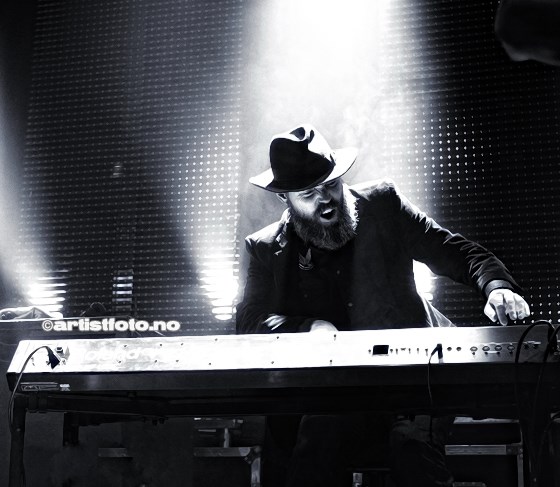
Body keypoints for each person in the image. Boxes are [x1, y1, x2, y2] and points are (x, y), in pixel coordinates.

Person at [235, 124, 531, 487]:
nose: (325, 200)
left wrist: (497, 288)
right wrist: (306, 327)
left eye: (331, 185)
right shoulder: (265, 248)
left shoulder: (383, 204)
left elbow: (454, 251)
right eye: (309, 194)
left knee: (411, 447)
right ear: (286, 199)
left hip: (418, 377)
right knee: (317, 438)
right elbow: (249, 320)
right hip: (343, 390)